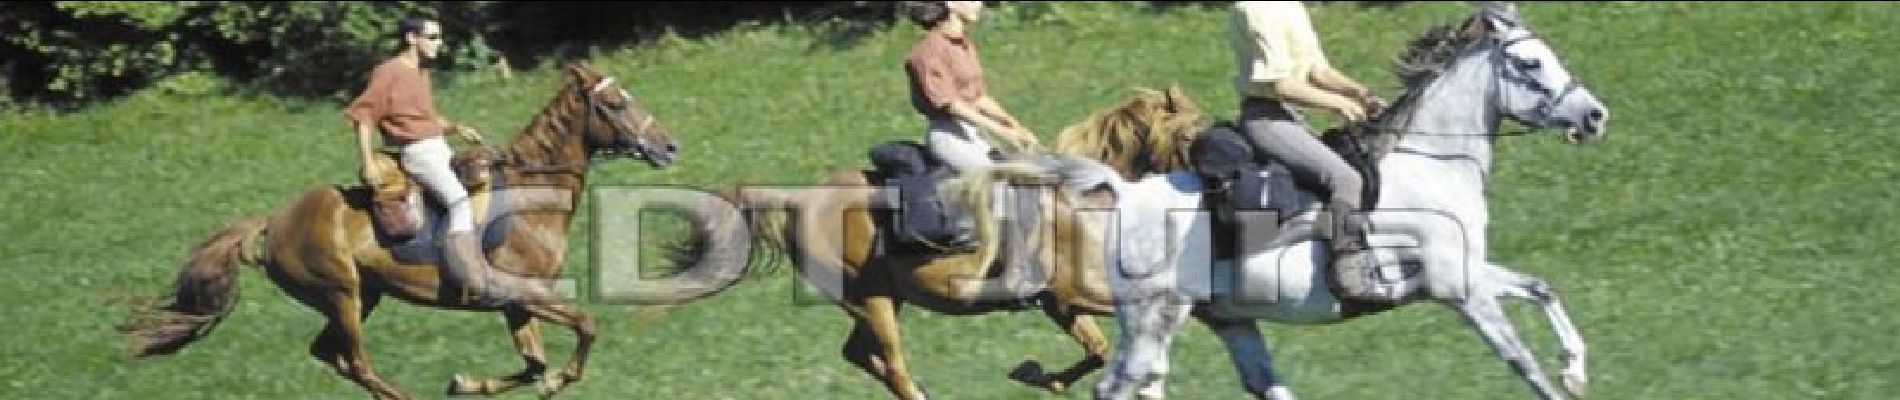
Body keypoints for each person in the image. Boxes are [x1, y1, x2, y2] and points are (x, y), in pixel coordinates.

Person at [1228, 2, 1393, 302]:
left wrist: (1360, 94)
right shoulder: (1253, 9)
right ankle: (1346, 272)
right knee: (1346, 179)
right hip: (1267, 119)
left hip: (1291, 118)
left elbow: (1318, 70)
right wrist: (1337, 104)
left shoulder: (1291, 6)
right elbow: (1279, 84)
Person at [345, 17, 509, 306]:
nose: (439, 44)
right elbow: (364, 117)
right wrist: (368, 161)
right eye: (432, 37)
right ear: (412, 38)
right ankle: (465, 273)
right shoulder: (388, 72)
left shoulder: (421, 73)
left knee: (480, 185)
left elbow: (425, 119)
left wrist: (456, 127)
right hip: (417, 153)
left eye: (439, 38)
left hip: (437, 147)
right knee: (459, 201)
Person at [903, 0, 1038, 171]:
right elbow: (952, 105)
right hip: (950, 134)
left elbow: (979, 97)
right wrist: (1002, 132)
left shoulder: (964, 45)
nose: (979, 5)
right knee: (993, 180)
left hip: (975, 131)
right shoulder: (928, 52)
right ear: (950, 4)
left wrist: (1014, 125)